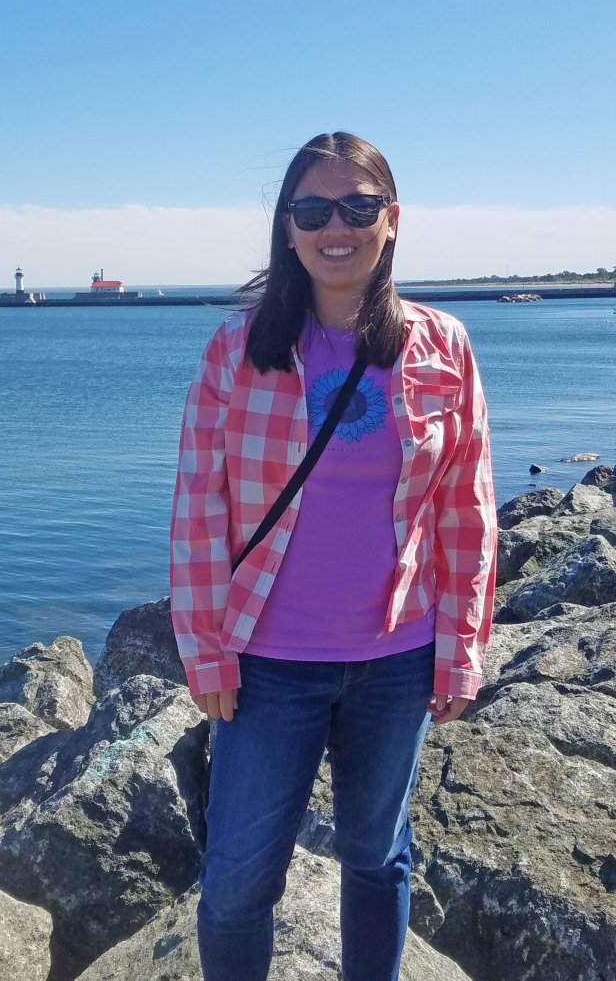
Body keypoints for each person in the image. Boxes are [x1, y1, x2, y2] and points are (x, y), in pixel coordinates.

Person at [170, 131, 497, 981]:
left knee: (377, 858)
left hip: (398, 659)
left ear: (392, 219)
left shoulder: (443, 345)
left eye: (357, 207)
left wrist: (460, 652)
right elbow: (200, 510)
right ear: (287, 228)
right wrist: (205, 652)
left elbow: (466, 512)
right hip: (267, 663)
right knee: (237, 884)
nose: (335, 228)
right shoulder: (236, 351)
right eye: (313, 210)